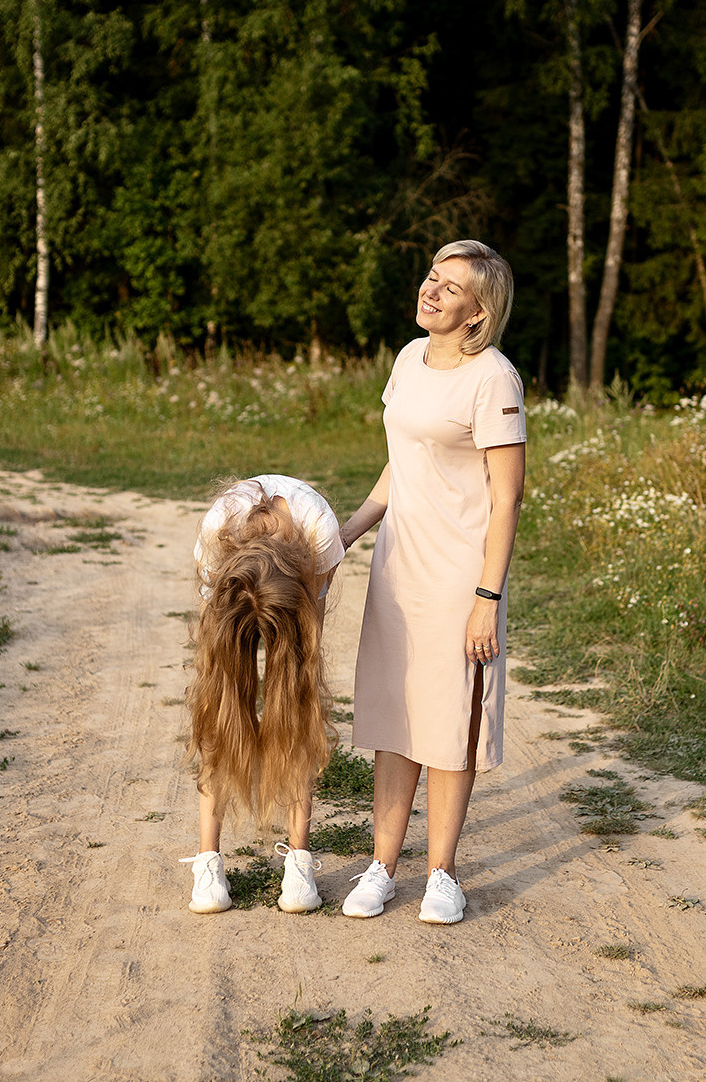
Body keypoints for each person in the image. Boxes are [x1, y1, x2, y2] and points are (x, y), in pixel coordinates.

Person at [336, 240, 526, 925]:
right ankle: (383, 867)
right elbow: (402, 463)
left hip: (459, 578)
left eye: (450, 287)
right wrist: (345, 533)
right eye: (431, 277)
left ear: (477, 313)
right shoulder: (408, 359)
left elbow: (506, 497)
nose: (431, 290)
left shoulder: (494, 378)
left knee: (449, 726)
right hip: (398, 569)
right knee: (395, 718)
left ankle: (442, 875)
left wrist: (487, 599)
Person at [177, 476, 344, 914]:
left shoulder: (319, 530)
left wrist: (294, 684)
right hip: (229, 609)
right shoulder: (217, 529)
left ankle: (299, 867)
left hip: (295, 603)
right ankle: (208, 865)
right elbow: (212, 624)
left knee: (295, 707)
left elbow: (311, 627)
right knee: (222, 708)